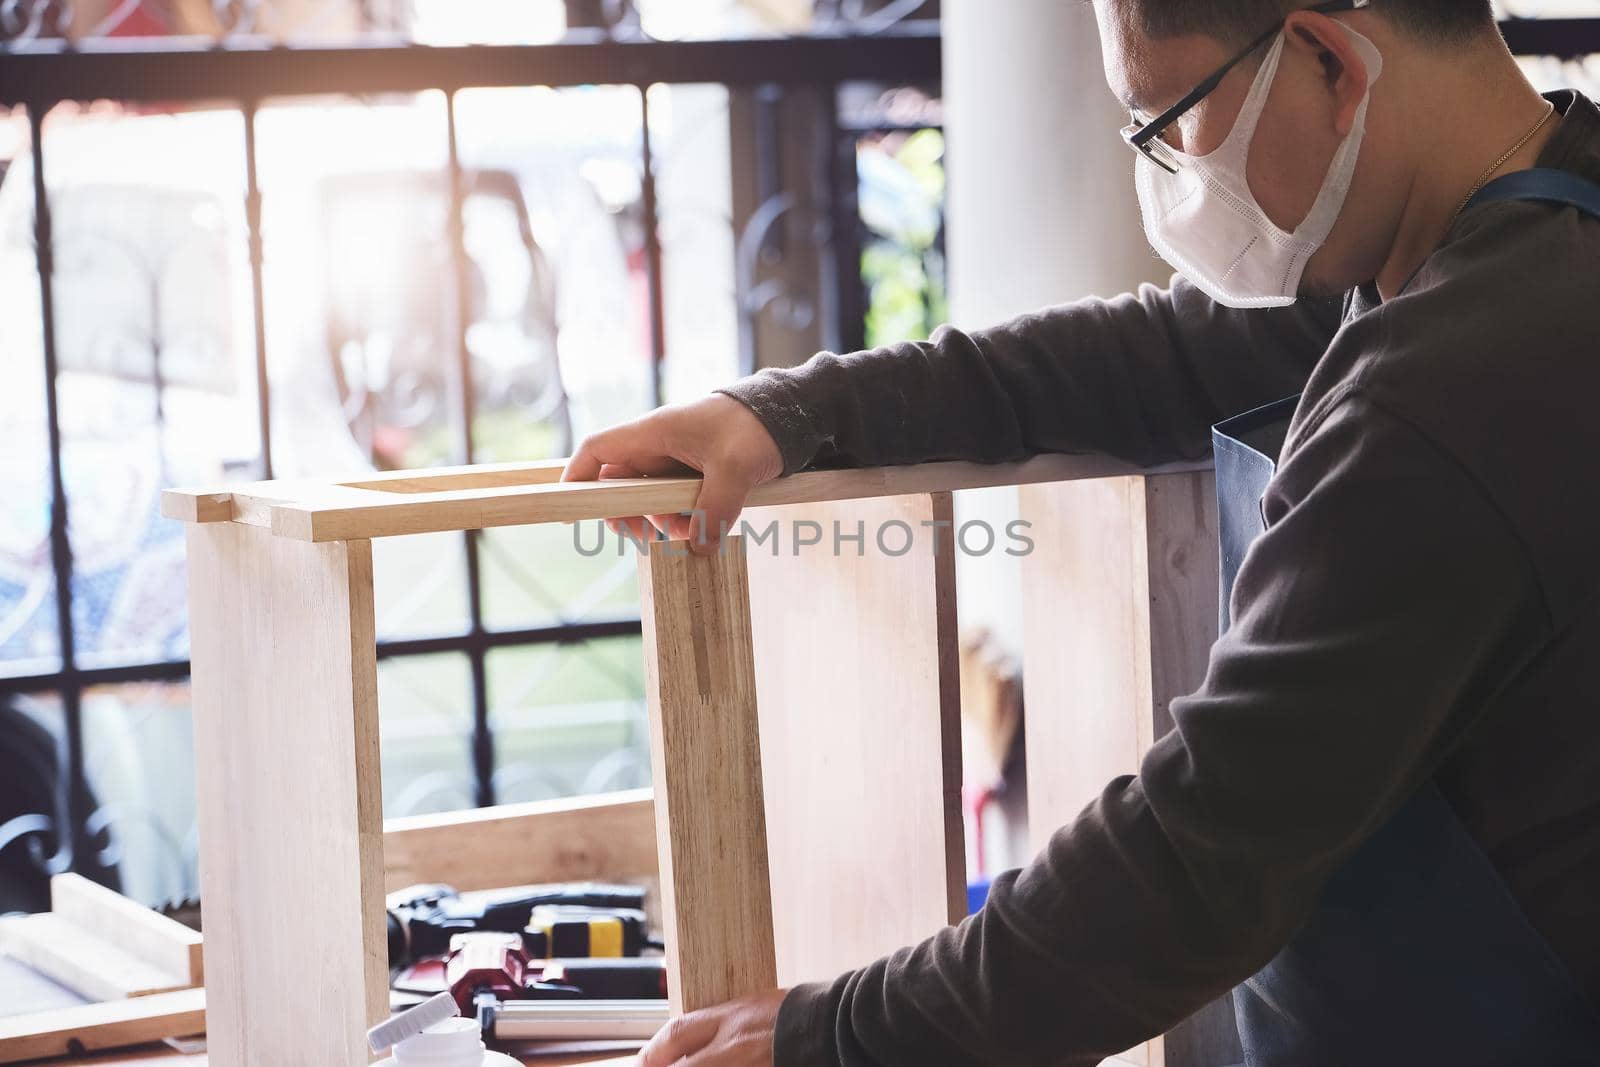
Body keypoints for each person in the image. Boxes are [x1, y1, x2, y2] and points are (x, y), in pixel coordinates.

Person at [561, 1, 1600, 1063]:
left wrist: (835, 1036)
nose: (1169, 181)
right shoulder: (1517, 224)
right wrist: (794, 412)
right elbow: (1160, 355)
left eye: (1172, 122)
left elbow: (1201, 855)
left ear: (1327, 60)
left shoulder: (1450, 392)